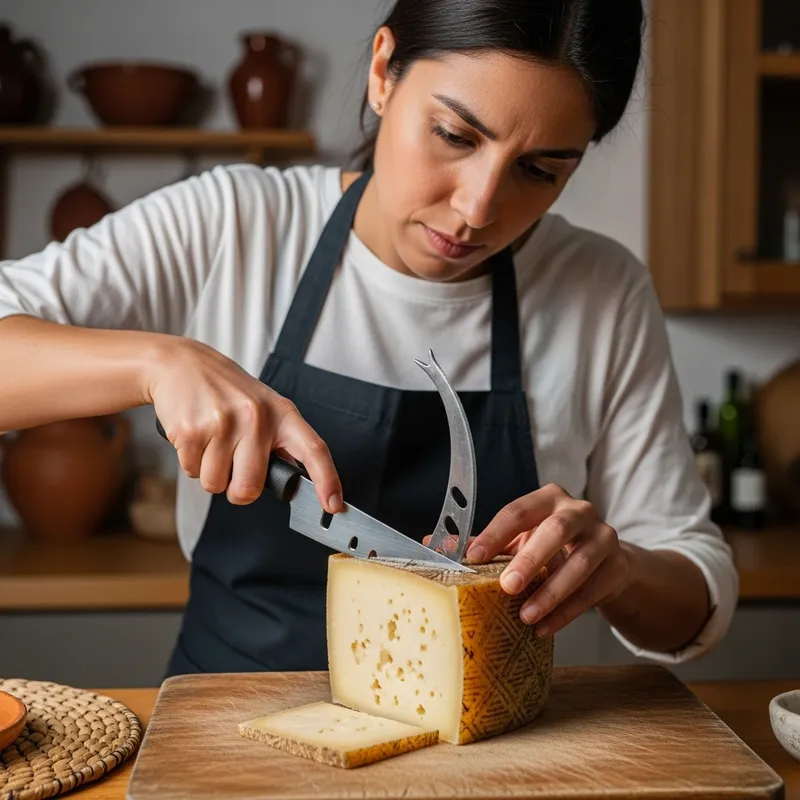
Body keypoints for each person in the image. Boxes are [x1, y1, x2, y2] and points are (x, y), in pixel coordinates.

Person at [0, 0, 737, 677]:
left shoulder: (602, 291)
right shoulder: (233, 224)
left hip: (487, 753)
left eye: (540, 171)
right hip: (223, 735)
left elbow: (695, 589)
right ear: (384, 72)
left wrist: (623, 571)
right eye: (454, 135)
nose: (478, 208)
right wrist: (155, 359)